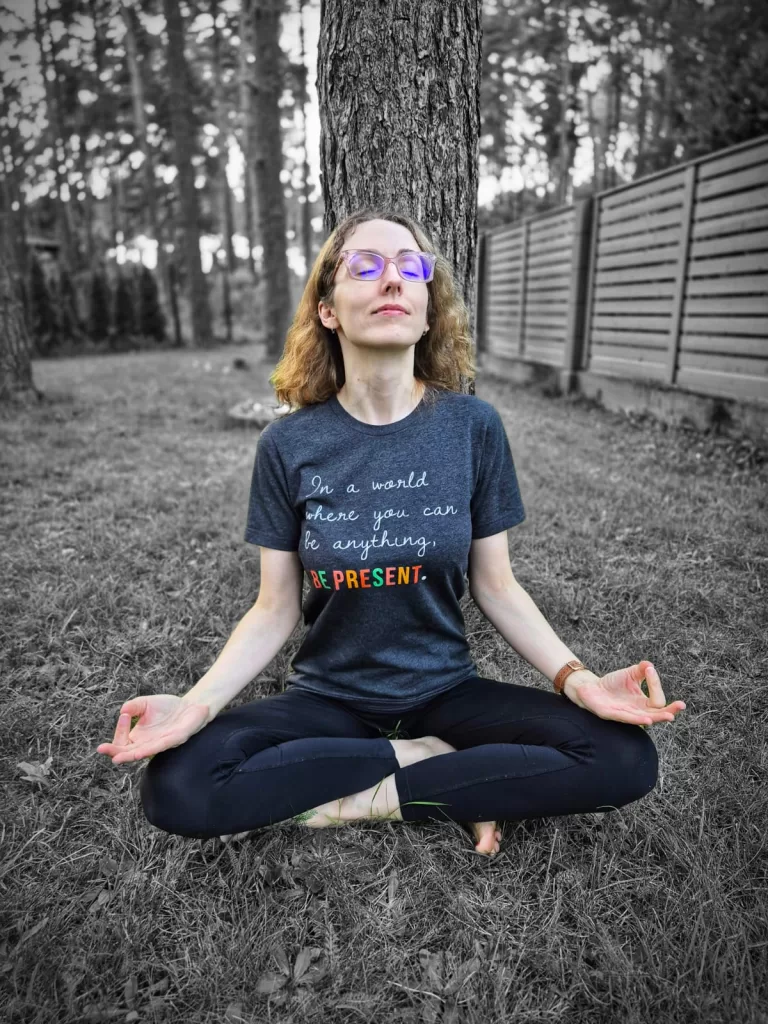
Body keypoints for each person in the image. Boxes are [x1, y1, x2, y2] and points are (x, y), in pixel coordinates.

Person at [96, 208, 686, 857]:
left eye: (411, 268)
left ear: (428, 310)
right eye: (367, 267)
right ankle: (449, 773)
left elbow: (498, 587)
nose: (392, 281)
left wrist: (579, 680)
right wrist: (195, 706)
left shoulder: (472, 428)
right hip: (329, 697)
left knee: (625, 756)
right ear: (328, 308)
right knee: (177, 784)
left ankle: (371, 793)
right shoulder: (288, 444)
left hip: (447, 692)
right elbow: (274, 607)